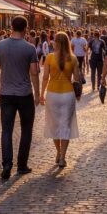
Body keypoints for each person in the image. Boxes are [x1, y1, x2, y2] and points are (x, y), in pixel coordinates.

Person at [0, 16, 40, 180]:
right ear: (25, 29)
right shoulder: (30, 48)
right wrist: (38, 93)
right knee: (26, 129)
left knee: (6, 130)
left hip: (6, 93)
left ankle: (6, 164)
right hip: (25, 93)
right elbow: (34, 72)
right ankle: (22, 164)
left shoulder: (0, 45)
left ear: (11, 27)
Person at [40, 32, 81, 168]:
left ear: (55, 42)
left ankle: (58, 152)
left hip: (53, 94)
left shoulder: (50, 57)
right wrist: (78, 94)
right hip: (68, 94)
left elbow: (45, 77)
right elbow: (77, 79)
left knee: (54, 125)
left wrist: (41, 94)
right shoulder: (73, 58)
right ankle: (63, 156)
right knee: (65, 126)